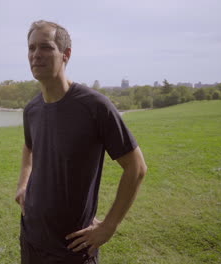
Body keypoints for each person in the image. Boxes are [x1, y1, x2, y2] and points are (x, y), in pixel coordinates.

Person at [15, 20, 147, 264]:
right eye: (31, 48)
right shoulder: (32, 109)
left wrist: (109, 226)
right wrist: (23, 184)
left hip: (73, 247)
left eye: (45, 47)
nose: (36, 55)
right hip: (31, 238)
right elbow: (29, 147)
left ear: (66, 54)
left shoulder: (94, 107)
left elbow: (136, 167)